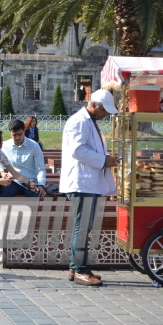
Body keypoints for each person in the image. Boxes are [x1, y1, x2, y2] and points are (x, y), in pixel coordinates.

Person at [60, 89, 118, 287]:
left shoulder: (90, 121)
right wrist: (103, 160)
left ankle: (75, 266)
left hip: (87, 182)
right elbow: (77, 150)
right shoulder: (80, 121)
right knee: (82, 226)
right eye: (105, 110)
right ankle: (80, 270)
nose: (107, 114)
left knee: (84, 226)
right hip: (81, 182)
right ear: (95, 105)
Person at [0, 120, 46, 199]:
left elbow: (40, 169)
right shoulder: (5, 146)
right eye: (14, 135)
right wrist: (2, 172)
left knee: (39, 197)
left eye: (20, 134)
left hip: (31, 181)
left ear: (24, 131)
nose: (17, 137)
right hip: (12, 181)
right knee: (2, 195)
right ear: (10, 132)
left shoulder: (34, 146)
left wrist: (41, 185)